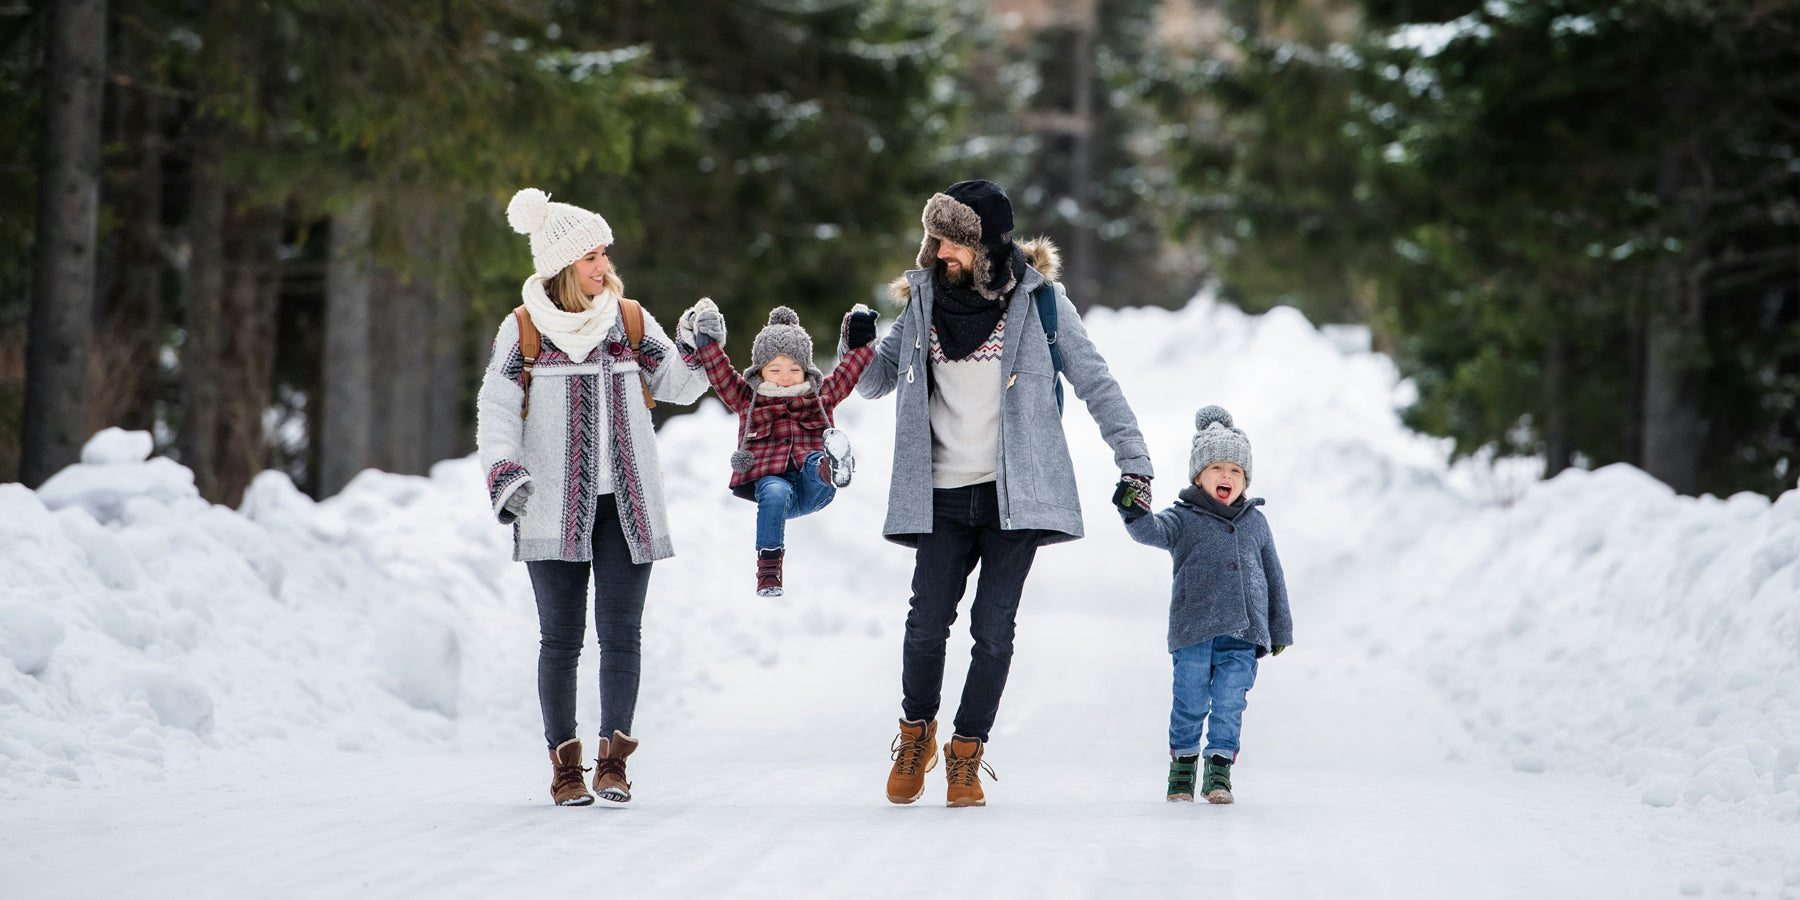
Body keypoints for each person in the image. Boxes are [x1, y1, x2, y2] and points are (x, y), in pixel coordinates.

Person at [857, 179, 1154, 807]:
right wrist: (854, 346)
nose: (938, 253)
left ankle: (966, 754)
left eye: (950, 243)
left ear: (985, 246)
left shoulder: (1043, 304)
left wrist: (1135, 461)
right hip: (938, 491)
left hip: (1012, 496)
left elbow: (1097, 383)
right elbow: (874, 382)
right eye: (934, 239)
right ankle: (917, 735)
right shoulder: (922, 302)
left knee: (993, 630)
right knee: (925, 624)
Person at [476, 188, 709, 807]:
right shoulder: (522, 330)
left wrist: (700, 341)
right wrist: (506, 476)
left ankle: (613, 764)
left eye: (604, 254)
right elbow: (497, 411)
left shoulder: (628, 321)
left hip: (626, 507)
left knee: (622, 634)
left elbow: (681, 385)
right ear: (561, 264)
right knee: (560, 639)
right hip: (550, 507)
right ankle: (565, 768)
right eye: (591, 257)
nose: (602, 266)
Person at [1117, 405, 1293, 804]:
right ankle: (1181, 770)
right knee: (1190, 701)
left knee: (1231, 703)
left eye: (1235, 470)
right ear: (1198, 476)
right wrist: (1132, 510)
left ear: (1245, 480)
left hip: (1244, 634)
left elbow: (1274, 576)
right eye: (1216, 469)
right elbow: (1151, 531)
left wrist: (1279, 628)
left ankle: (1218, 773)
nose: (1226, 476)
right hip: (1194, 631)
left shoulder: (1256, 522)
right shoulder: (1183, 518)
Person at [676, 300, 881, 596]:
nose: (785, 377)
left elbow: (848, 372)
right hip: (773, 490)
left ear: (806, 370)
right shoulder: (748, 400)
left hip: (814, 488)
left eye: (794, 369)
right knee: (773, 489)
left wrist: (862, 340)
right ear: (761, 372)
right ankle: (769, 572)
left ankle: (832, 468)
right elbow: (720, 373)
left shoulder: (819, 397)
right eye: (776, 369)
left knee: (814, 462)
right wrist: (706, 340)